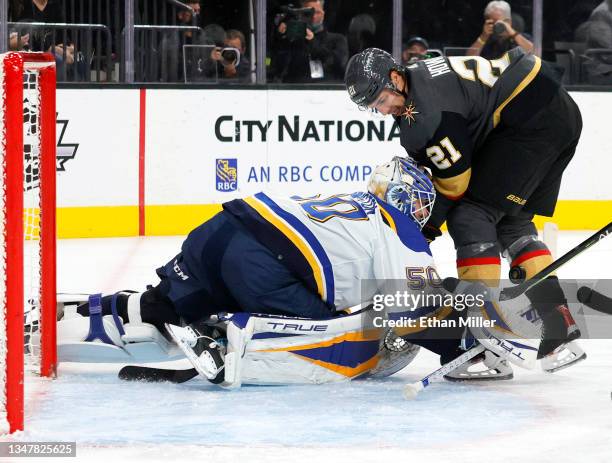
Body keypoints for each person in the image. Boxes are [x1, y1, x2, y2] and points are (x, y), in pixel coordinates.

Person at [72, 158, 537, 386]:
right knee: (339, 343)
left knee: (162, 305)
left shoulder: (347, 202)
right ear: (409, 198)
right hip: (260, 265)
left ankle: (81, 316)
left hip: (215, 234)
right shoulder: (400, 227)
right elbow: (409, 306)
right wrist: (459, 340)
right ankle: (227, 336)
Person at [344, 47, 584, 368]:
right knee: (511, 223)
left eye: (382, 100)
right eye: (375, 107)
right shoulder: (420, 82)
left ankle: (483, 340)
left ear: (395, 77)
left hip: (530, 120)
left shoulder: (426, 114)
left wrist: (426, 230)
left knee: (470, 215)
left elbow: (455, 185)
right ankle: (558, 323)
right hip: (554, 109)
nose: (385, 111)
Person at [270, 0, 348, 83]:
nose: (314, 17)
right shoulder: (292, 41)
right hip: (295, 90)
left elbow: (337, 64)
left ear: (323, 14)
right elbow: (276, 65)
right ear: (300, 16)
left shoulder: (337, 39)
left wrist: (312, 40)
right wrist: (279, 36)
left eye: (317, 12)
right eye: (308, 14)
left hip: (328, 90)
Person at [468, 1, 534, 59]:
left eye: (498, 22)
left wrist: (512, 33)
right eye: (492, 22)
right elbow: (469, 59)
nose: (495, 26)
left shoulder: (522, 38)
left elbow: (535, 54)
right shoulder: (485, 39)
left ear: (509, 21)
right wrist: (483, 36)